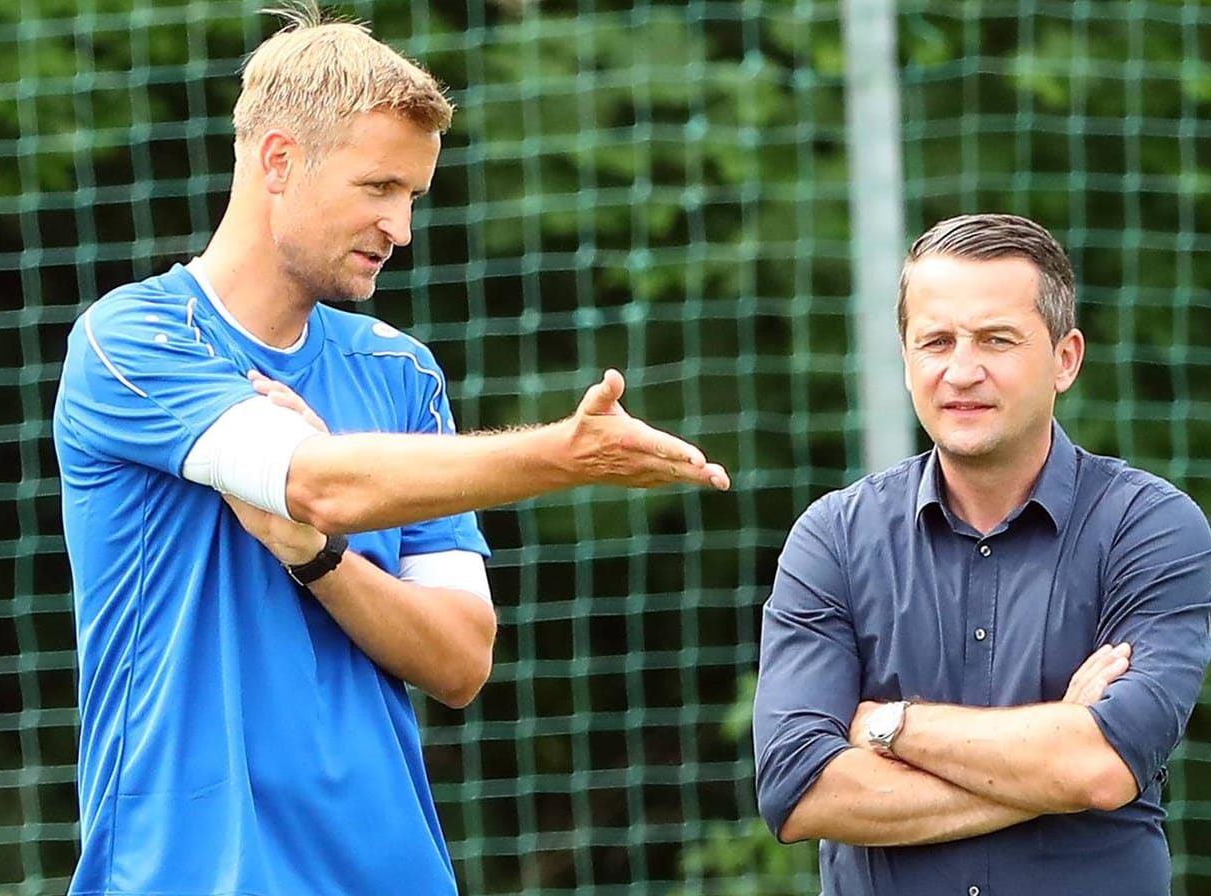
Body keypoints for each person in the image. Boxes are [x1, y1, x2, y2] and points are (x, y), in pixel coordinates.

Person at [52, 4, 729, 895]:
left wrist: (321, 560)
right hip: (187, 870)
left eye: (413, 195)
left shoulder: (401, 371)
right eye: (379, 188)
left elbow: (459, 661)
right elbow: (315, 482)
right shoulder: (131, 340)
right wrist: (566, 455)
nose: (401, 229)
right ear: (279, 161)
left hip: (389, 871)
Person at [752, 213, 1211, 895]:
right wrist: (1051, 763)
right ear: (906, 360)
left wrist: (888, 724)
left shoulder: (1148, 527)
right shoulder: (834, 538)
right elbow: (799, 791)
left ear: (1066, 359)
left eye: (996, 340)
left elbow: (1101, 766)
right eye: (936, 341)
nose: (961, 371)